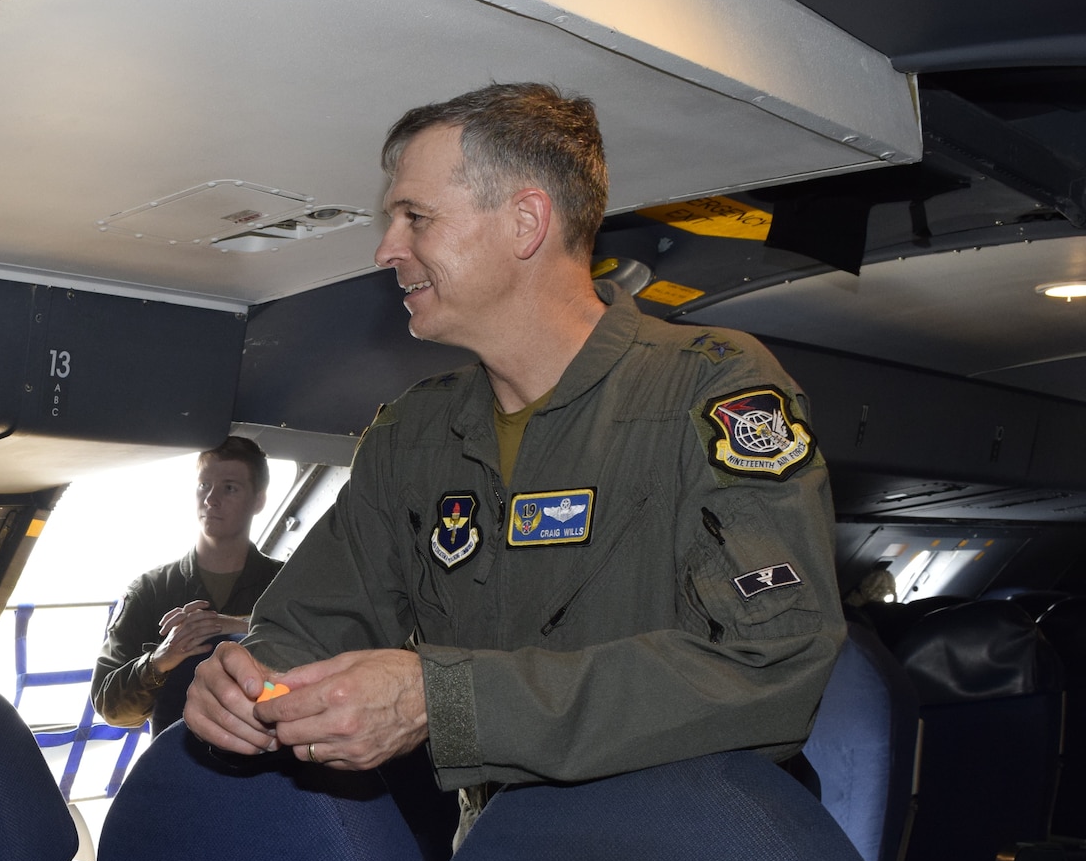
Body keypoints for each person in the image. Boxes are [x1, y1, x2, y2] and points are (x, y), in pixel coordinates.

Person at [186, 84, 844, 823]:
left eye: (416, 218)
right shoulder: (414, 435)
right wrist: (247, 679)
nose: (386, 249)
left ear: (526, 221)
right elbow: (309, 621)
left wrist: (446, 700)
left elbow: (773, 662)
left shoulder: (710, 387)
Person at [92, 437, 285, 734]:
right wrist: (160, 660)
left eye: (229, 488)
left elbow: (327, 671)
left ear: (258, 500)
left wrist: (242, 627)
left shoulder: (287, 585)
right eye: (203, 486)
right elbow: (111, 708)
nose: (210, 499)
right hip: (177, 762)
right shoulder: (150, 592)